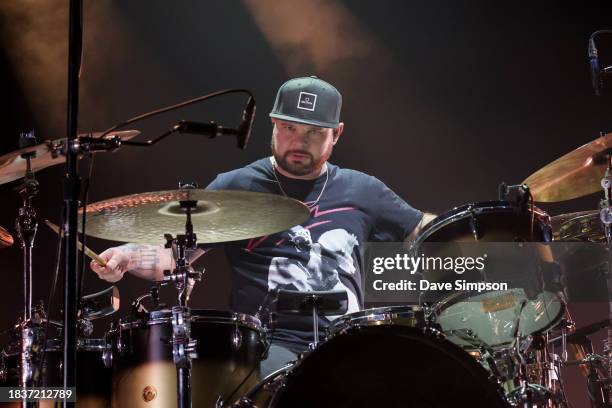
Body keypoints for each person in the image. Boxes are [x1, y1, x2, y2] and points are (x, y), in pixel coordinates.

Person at [90, 76, 435, 376]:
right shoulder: (236, 187)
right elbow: (173, 256)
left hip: (349, 342)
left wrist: (479, 230)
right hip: (267, 348)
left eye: (314, 132)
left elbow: (426, 230)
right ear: (273, 123)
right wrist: (127, 256)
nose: (299, 141)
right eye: (289, 128)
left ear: (337, 134)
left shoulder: (363, 189)